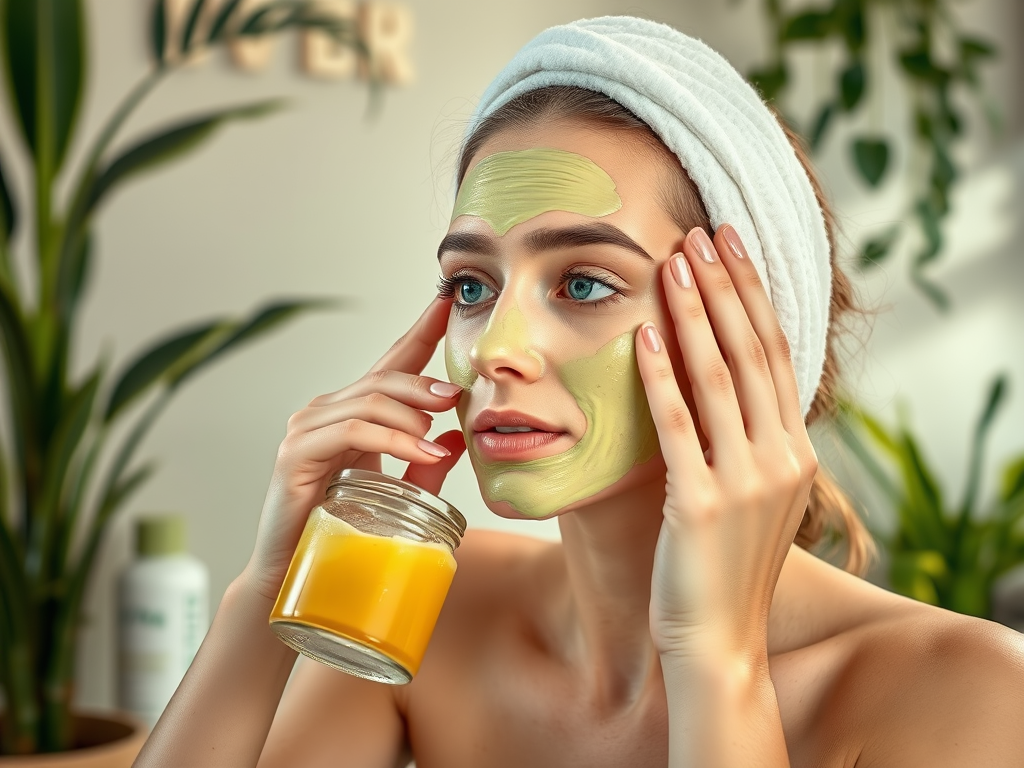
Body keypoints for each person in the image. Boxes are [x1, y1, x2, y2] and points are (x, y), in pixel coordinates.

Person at [135, 17, 1024, 768]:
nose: (494, 351)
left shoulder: (972, 692)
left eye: (584, 283)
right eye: (472, 288)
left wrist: (716, 665)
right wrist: (265, 595)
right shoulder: (430, 604)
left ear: (753, 336)